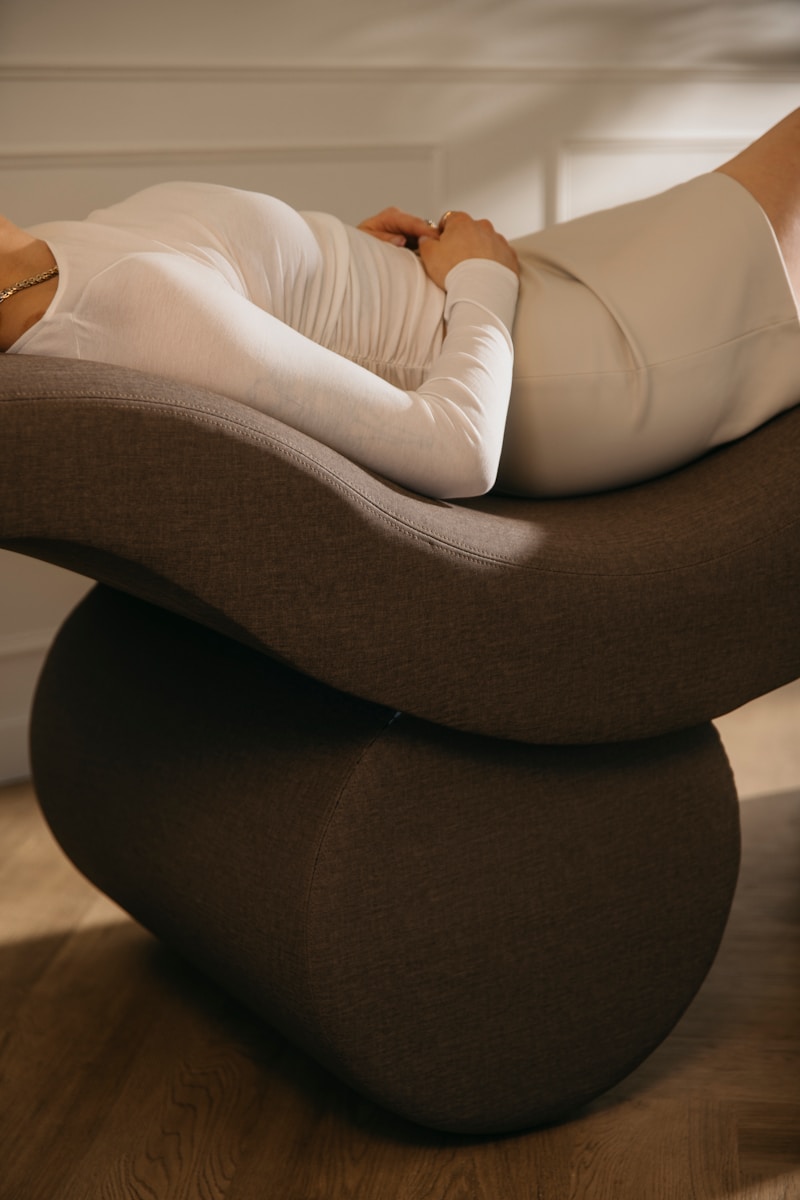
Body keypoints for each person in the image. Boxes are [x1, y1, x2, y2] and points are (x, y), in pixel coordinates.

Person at [1, 109, 799, 500]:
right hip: (549, 365)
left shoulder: (41, 260)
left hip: (495, 302)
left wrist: (329, 265)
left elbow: (225, 314)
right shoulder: (114, 305)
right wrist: (484, 278)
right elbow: (456, 453)